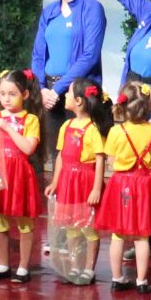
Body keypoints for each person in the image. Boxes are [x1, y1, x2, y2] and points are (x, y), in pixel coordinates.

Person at [31, 0, 106, 159]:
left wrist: (58, 90)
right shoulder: (49, 12)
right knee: (57, 155)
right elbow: (38, 55)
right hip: (49, 94)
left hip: (78, 93)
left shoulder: (92, 9)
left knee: (80, 156)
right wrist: (42, 89)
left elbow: (89, 55)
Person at [43, 78, 112, 286]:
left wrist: (97, 188)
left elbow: (99, 160)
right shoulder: (66, 125)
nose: (65, 95)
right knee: (71, 226)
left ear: (79, 101)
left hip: (85, 181)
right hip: (68, 181)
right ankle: (74, 266)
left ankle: (89, 269)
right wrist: (55, 182)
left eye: (69, 92)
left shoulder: (93, 129)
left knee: (88, 227)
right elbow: (61, 156)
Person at [0, 69, 44, 284]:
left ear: (25, 95)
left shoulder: (30, 119)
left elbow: (28, 148)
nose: (6, 99)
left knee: (24, 221)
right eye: (3, 93)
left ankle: (23, 267)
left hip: (20, 176)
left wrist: (7, 127)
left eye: (12, 94)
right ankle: (3, 265)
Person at [96, 81, 151, 294]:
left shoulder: (117, 131)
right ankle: (142, 281)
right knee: (142, 236)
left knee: (118, 234)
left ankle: (117, 278)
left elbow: (111, 159)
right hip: (144, 184)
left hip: (121, 184)